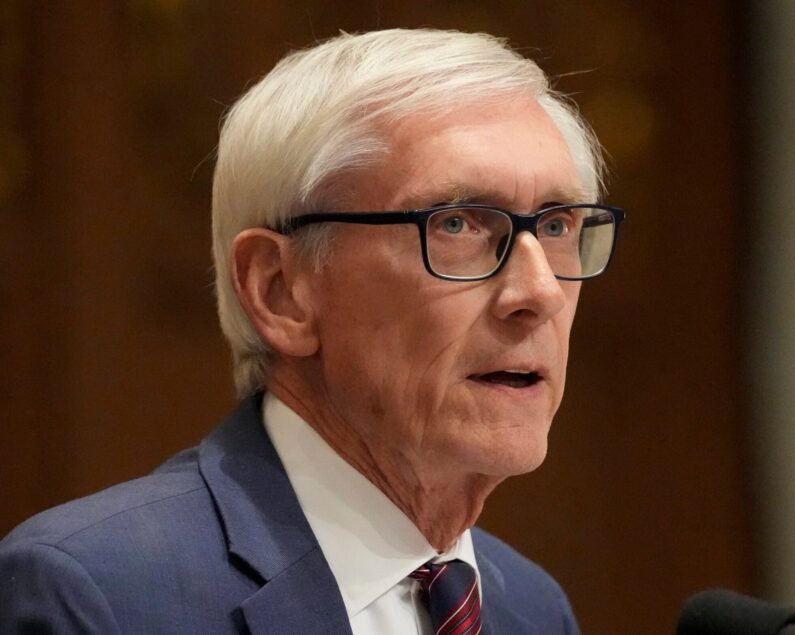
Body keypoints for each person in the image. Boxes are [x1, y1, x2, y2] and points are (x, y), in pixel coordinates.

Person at [0, 28, 624, 634]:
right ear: (280, 290)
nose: (539, 292)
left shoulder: (531, 610)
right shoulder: (98, 595)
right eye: (457, 224)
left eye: (556, 227)